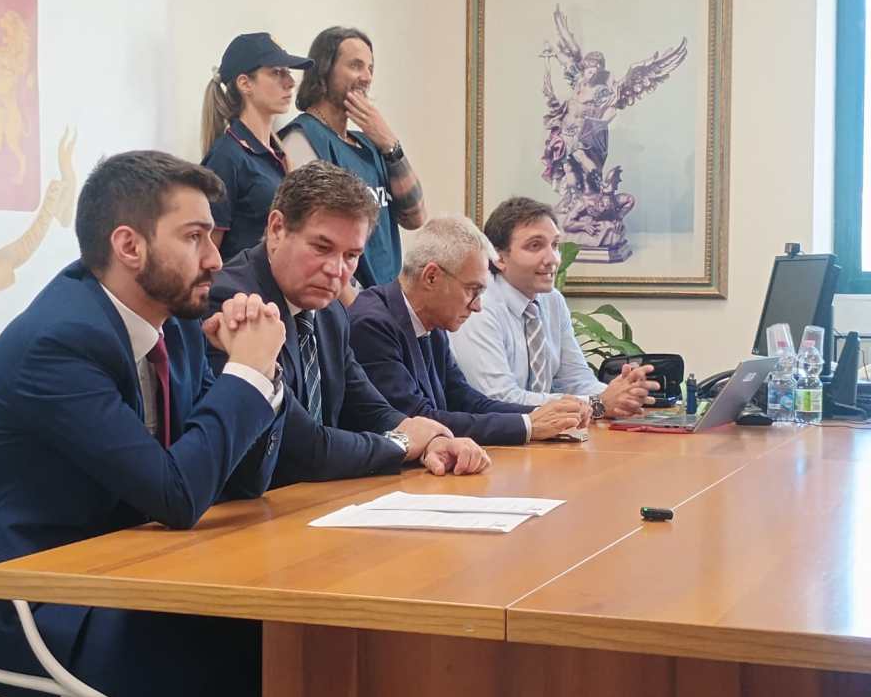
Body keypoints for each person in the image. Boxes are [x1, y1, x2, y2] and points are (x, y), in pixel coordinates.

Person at [0, 151, 288, 697]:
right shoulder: (59, 341)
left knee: (279, 641)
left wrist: (260, 377)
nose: (215, 259)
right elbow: (178, 496)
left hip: (98, 564)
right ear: (129, 246)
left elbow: (239, 480)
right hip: (7, 592)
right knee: (238, 665)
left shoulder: (172, 325)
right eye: (195, 237)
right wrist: (246, 375)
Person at [210, 161, 491, 487]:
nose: (336, 270)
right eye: (322, 247)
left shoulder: (331, 311)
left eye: (351, 256)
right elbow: (301, 447)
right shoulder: (233, 301)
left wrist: (431, 441)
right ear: (277, 230)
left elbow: (368, 409)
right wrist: (401, 445)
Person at [349, 215, 589, 445]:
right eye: (472, 290)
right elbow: (417, 421)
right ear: (431, 277)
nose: (477, 306)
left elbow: (465, 399)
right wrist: (527, 425)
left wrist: (543, 414)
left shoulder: (432, 320)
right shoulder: (372, 324)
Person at [450, 197, 659, 419]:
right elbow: (499, 398)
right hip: (489, 442)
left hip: (545, 435)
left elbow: (576, 379)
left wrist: (621, 394)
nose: (553, 259)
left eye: (555, 245)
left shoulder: (552, 300)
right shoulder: (479, 306)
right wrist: (597, 404)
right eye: (535, 246)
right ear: (499, 258)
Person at [280, 26, 427, 302]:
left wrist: (390, 143)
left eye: (370, 68)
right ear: (324, 70)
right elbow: (315, 238)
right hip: (349, 308)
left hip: (387, 301)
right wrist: (359, 312)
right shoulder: (301, 138)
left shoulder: (372, 143)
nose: (367, 77)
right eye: (355, 66)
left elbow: (415, 216)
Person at [200, 32, 313, 261]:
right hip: (239, 292)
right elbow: (205, 253)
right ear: (245, 83)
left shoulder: (278, 154)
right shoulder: (226, 157)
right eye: (276, 72)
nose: (290, 82)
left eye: (288, 72)